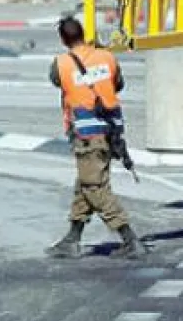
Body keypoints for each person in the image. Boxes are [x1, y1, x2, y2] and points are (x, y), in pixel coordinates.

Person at [44, 16, 145, 260]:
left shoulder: (61, 63)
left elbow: (58, 82)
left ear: (63, 39)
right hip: (111, 131)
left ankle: (129, 238)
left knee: (94, 186)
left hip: (87, 134)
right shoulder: (107, 58)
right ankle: (72, 238)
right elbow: (118, 84)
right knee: (86, 184)